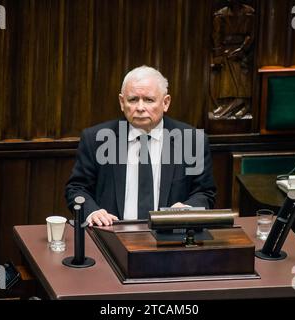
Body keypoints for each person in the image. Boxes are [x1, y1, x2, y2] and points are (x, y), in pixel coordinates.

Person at [65, 66, 216, 226]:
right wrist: (92, 211)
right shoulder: (95, 139)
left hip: (170, 239)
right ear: (122, 102)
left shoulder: (191, 140)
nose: (140, 108)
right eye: (133, 100)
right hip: (111, 237)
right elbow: (76, 188)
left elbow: (204, 193)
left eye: (149, 100)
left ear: (166, 103)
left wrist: (188, 209)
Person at [210, 0, 255, 119]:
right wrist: (218, 55)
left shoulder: (249, 13)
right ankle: (228, 102)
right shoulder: (220, 14)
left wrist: (242, 50)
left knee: (242, 71)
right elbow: (216, 36)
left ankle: (242, 103)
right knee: (226, 74)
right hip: (226, 50)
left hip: (243, 51)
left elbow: (251, 35)